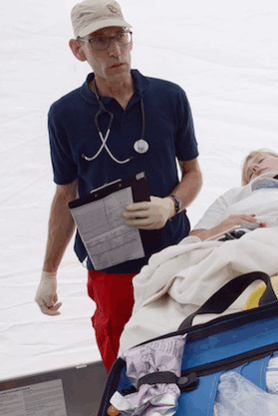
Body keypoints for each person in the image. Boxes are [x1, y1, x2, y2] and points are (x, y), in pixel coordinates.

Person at [34, 0, 203, 371]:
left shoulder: (169, 97)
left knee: (189, 356)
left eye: (120, 36)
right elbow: (66, 194)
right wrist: (49, 272)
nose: (114, 50)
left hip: (174, 256)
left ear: (130, 39)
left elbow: (193, 173)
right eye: (98, 41)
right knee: (127, 369)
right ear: (77, 50)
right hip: (112, 267)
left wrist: (171, 206)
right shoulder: (64, 115)